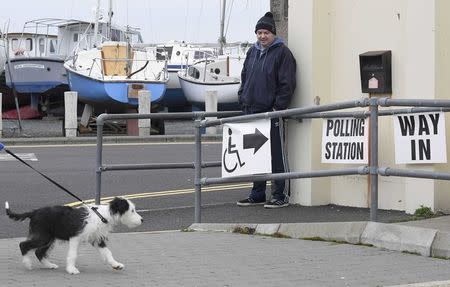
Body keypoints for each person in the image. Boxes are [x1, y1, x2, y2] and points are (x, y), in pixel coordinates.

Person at [236, 11, 297, 209]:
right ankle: (257, 193)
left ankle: (280, 194)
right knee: (255, 155)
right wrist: (242, 97)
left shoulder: (283, 53)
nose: (262, 36)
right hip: (251, 111)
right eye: (259, 32)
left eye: (266, 33)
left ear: (273, 34)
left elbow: (287, 85)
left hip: (271, 113)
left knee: (276, 155)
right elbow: (244, 76)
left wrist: (277, 108)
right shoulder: (252, 52)